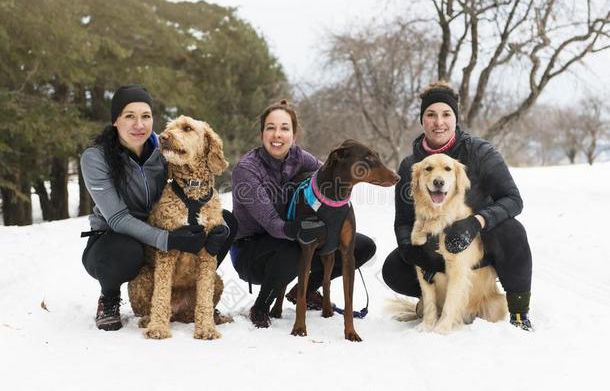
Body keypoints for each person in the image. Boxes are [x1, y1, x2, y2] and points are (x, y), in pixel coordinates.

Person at [80, 85, 236, 331]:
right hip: (116, 238)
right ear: (115, 121)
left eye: (146, 116)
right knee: (125, 250)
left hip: (160, 230)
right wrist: (169, 239)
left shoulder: (165, 153)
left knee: (226, 224)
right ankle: (109, 298)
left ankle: (196, 299)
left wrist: (220, 228)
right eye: (129, 116)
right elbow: (118, 219)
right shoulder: (95, 158)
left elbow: (199, 191)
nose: (138, 124)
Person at [382, 81, 533, 330]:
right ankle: (438, 303)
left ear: (455, 118)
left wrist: (476, 222)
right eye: (431, 114)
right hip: (434, 249)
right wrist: (411, 251)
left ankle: (519, 314)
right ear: (422, 120)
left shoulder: (480, 153)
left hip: (478, 249)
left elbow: (513, 200)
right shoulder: (412, 164)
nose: (438, 122)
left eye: (446, 114)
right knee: (394, 267)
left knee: (512, 230)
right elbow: (404, 220)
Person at [230, 99, 377, 328]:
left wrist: (343, 189)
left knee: (363, 246)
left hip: (291, 237)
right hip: (251, 250)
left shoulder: (299, 157)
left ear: (294, 134)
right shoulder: (247, 170)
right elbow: (271, 223)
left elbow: (325, 175)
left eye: (284, 128)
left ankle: (305, 291)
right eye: (271, 128)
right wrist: (298, 228)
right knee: (295, 247)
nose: (277, 134)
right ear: (262, 134)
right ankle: (261, 306)